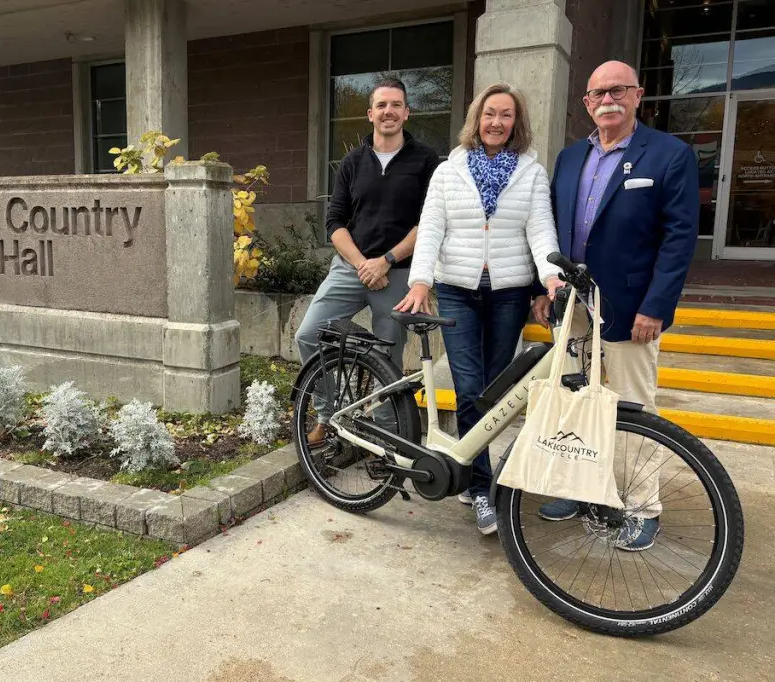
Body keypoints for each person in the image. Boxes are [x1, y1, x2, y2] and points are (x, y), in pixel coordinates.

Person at [536, 60, 700, 551]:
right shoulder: (568, 158)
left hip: (631, 305)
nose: (607, 100)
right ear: (586, 103)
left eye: (617, 91)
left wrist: (657, 305)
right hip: (573, 303)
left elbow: (679, 238)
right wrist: (542, 289)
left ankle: (642, 506)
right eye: (597, 94)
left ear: (637, 95)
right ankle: (579, 488)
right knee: (572, 401)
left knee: (633, 406)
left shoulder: (669, 155)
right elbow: (551, 229)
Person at [395, 83, 563, 536]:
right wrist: (420, 280)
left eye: (506, 115)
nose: (496, 122)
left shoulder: (530, 172)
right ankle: (481, 486)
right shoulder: (450, 170)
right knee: (470, 386)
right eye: (490, 113)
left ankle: (471, 473)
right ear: (476, 118)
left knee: (494, 392)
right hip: (456, 290)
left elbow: (540, 230)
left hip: (508, 293)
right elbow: (431, 227)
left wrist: (550, 276)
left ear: (516, 122)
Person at [295, 76, 440, 447]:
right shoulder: (352, 162)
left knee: (387, 355)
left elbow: (429, 222)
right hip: (350, 268)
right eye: (381, 105)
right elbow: (334, 222)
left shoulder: (426, 161)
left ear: (406, 112)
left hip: (399, 273)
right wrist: (364, 263)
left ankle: (381, 431)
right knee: (309, 333)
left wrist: (387, 260)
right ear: (370, 114)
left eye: (396, 105)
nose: (388, 112)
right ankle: (330, 415)